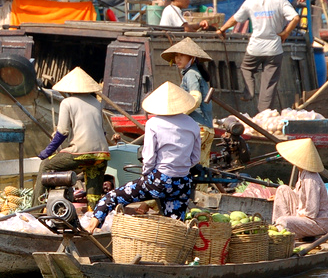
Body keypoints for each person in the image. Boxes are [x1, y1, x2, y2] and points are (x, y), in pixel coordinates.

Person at [87, 82, 200, 230]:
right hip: (182, 183)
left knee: (111, 198)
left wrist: (146, 176)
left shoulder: (154, 123)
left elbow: (149, 158)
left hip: (159, 180)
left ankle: (91, 228)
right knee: (175, 225)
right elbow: (195, 158)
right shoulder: (192, 124)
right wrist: (180, 169)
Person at [216, 0, 300, 111]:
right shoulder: (281, 2)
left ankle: (248, 92)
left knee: (246, 68)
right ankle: (263, 113)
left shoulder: (250, 2)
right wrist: (285, 33)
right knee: (269, 84)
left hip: (255, 47)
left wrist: (222, 29)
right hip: (274, 49)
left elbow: (234, 19)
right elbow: (295, 18)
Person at [35, 67, 115, 201]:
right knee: (93, 196)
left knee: (45, 165)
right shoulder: (96, 103)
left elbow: (62, 133)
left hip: (81, 153)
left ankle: (35, 209)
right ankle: (94, 215)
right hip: (102, 154)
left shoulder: (67, 102)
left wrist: (47, 152)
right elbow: (102, 130)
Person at [161, 38, 215, 166]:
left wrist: (178, 114)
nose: (177, 59)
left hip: (198, 128)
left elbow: (195, 98)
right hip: (207, 128)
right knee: (202, 167)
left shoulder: (191, 74)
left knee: (186, 166)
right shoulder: (195, 73)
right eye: (176, 56)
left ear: (191, 57)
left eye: (181, 56)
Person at [271, 138, 328, 238]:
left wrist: (294, 218)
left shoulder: (311, 179)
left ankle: (282, 235)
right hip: (303, 213)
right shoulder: (302, 173)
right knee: (282, 189)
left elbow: (311, 212)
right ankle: (278, 227)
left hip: (316, 223)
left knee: (284, 221)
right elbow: (299, 194)